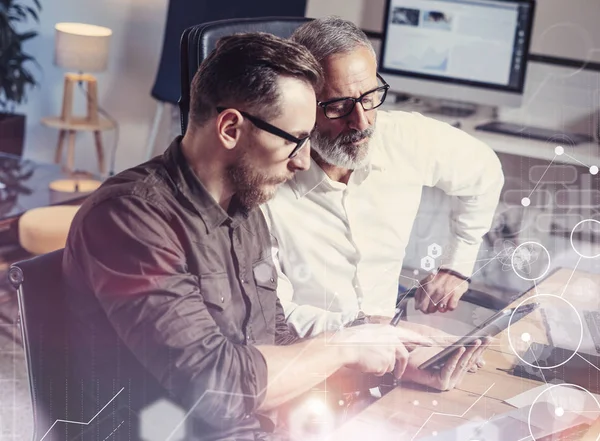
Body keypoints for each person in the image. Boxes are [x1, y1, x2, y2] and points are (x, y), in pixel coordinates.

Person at [61, 33, 480, 441]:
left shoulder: (244, 208)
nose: (303, 162)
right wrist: (342, 346)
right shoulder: (130, 219)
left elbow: (276, 338)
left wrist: (396, 361)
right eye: (295, 141)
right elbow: (214, 387)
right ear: (230, 128)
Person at [262, 17, 505, 337]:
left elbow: (484, 171)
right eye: (339, 106)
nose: (361, 122)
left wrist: (456, 264)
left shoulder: (404, 136)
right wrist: (366, 332)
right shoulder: (263, 183)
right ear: (302, 102)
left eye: (369, 97)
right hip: (309, 357)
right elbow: (272, 313)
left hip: (390, 348)